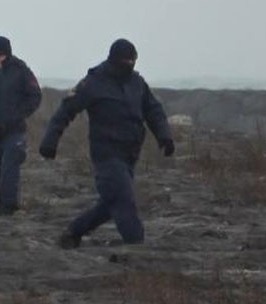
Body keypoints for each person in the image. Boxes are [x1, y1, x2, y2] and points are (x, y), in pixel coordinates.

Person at [38, 38, 175, 248]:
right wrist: (50, 141)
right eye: (125, 61)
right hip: (106, 153)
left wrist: (164, 136)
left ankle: (73, 232)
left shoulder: (137, 82)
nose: (129, 65)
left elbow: (153, 110)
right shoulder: (93, 82)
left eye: (133, 61)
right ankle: (136, 243)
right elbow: (66, 110)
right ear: (113, 60)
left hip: (130, 153)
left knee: (110, 202)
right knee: (123, 199)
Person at [0, 36, 43, 216]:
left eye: (2, 55)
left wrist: (18, 115)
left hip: (14, 130)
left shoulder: (20, 69)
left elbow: (35, 95)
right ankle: (0, 204)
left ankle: (9, 207)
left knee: (10, 167)